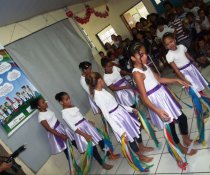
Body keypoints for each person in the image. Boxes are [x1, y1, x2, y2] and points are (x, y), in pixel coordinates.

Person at [130, 42, 197, 155]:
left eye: (145, 53)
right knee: (170, 125)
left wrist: (176, 80)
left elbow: (159, 80)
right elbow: (144, 97)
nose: (145, 56)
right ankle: (179, 146)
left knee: (182, 117)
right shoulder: (137, 73)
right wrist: (157, 110)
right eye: (140, 55)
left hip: (163, 94)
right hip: (156, 101)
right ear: (133, 58)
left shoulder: (145, 66)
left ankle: (185, 138)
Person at [85, 72, 154, 163]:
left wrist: (130, 109)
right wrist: (120, 131)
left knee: (135, 129)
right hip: (117, 119)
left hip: (122, 113)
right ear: (99, 80)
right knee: (130, 138)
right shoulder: (98, 97)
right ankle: (140, 156)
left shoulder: (102, 90)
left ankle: (141, 147)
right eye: (102, 78)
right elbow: (107, 116)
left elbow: (116, 104)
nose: (103, 80)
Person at [55, 92, 114, 170]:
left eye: (69, 98)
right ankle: (102, 163)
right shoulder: (64, 113)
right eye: (66, 99)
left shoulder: (72, 107)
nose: (69, 100)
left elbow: (81, 116)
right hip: (80, 131)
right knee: (93, 147)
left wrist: (88, 121)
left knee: (100, 140)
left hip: (87, 126)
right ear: (61, 102)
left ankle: (109, 154)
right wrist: (85, 135)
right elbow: (73, 127)